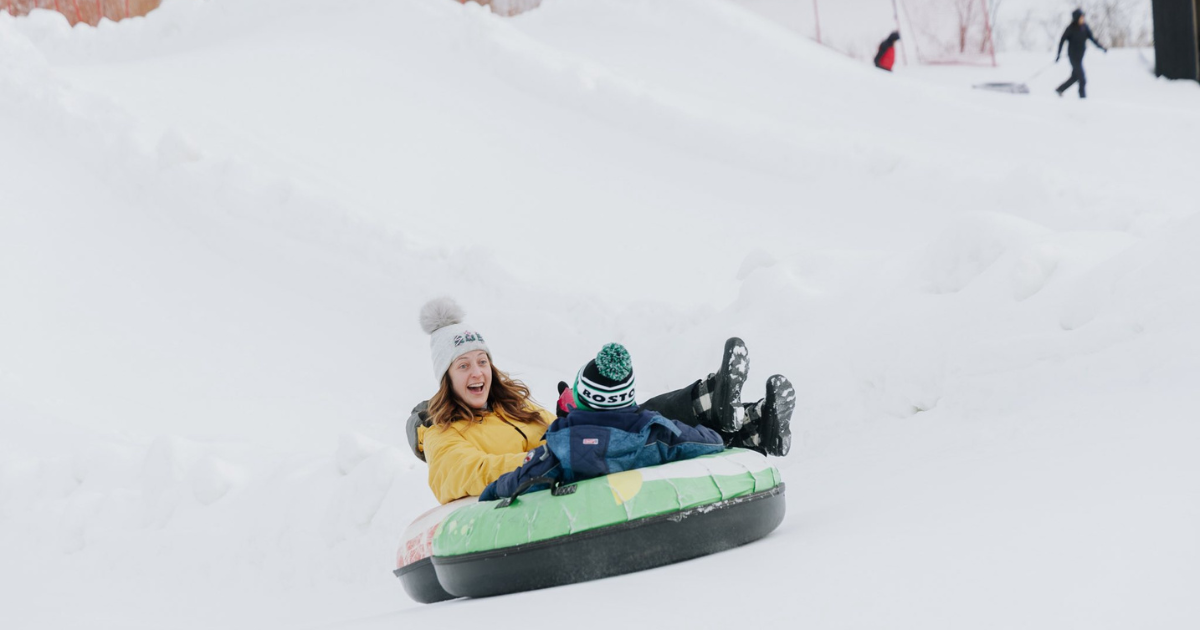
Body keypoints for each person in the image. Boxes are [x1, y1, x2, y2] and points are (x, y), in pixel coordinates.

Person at [410, 297, 795, 504]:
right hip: (558, 470)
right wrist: (546, 457)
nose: (477, 373)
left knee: (636, 417)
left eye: (482, 361)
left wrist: (569, 412)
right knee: (642, 430)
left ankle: (747, 422)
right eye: (463, 366)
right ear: (446, 377)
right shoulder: (442, 434)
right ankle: (712, 404)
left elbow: (553, 430)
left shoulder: (514, 408)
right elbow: (466, 474)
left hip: (573, 455)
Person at [479, 343, 726, 501]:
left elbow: (521, 481)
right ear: (629, 398)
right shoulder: (659, 434)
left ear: (580, 397)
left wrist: (491, 491)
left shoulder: (559, 450)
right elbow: (710, 442)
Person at [1055, 9, 1107, 99]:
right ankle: (1082, 99)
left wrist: (1101, 47)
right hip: (1073, 56)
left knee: (1075, 77)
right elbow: (1062, 41)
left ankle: (1060, 89)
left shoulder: (1084, 27)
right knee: (1082, 79)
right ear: (1076, 18)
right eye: (1081, 17)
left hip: (1080, 56)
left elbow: (1092, 39)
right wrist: (1058, 54)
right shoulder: (1070, 28)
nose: (1083, 18)